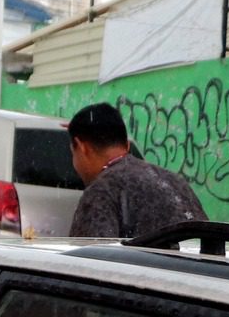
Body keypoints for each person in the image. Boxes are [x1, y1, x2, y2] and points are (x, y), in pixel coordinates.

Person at [66, 102, 207, 238]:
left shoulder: (102, 191)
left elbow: (88, 258)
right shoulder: (175, 181)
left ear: (82, 147)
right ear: (127, 145)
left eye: (72, 153)